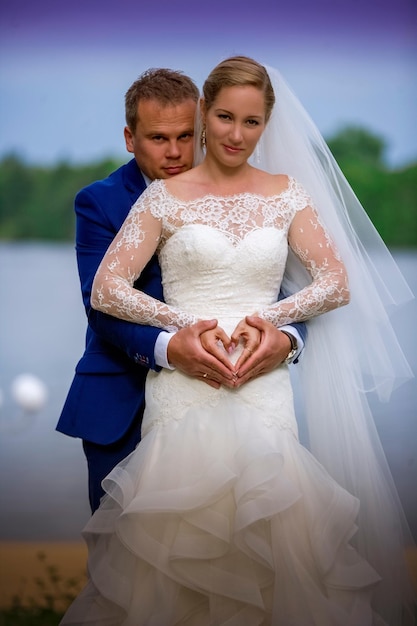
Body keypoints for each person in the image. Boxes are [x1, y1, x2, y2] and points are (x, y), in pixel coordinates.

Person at [60, 56, 415, 625]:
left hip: (260, 388)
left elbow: (329, 281)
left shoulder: (282, 194)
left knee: (275, 543)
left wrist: (276, 328)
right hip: (157, 395)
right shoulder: (131, 200)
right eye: (223, 118)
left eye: (250, 122)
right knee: (155, 556)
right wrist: (179, 330)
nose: (230, 134)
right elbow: (102, 294)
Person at [56, 68, 305, 513]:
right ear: (130, 138)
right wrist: (171, 349)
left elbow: (284, 287)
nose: (175, 152)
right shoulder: (99, 201)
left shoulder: (256, 192)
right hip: (122, 403)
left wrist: (288, 339)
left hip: (240, 393)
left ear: (204, 126)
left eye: (185, 136)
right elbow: (100, 305)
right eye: (157, 138)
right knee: (127, 563)